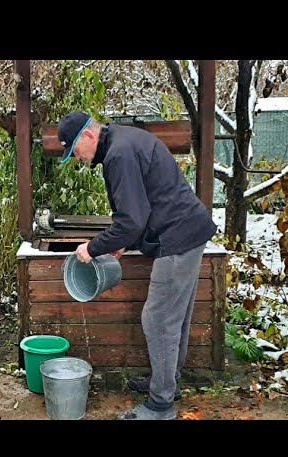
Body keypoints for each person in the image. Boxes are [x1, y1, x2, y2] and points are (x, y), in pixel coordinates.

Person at [57, 111, 217, 420]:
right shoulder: (122, 141)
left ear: (88, 136)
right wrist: (124, 242)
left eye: (75, 151)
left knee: (157, 320)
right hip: (187, 231)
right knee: (175, 317)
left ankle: (161, 405)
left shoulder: (119, 153)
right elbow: (143, 206)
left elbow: (131, 220)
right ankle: (167, 381)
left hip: (177, 238)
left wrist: (93, 247)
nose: (77, 158)